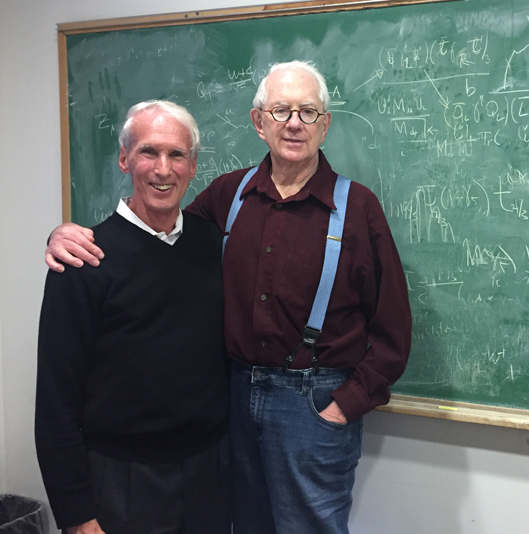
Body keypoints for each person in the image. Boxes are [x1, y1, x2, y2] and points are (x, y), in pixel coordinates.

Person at [45, 61, 412, 534]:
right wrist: (64, 234)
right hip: (231, 404)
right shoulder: (228, 196)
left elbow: (393, 328)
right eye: (281, 110)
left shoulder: (358, 208)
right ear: (259, 122)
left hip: (312, 407)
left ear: (326, 124)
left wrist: (342, 406)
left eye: (308, 111)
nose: (294, 123)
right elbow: (155, 231)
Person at [36, 101, 231, 534]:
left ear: (193, 165)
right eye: (149, 152)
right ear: (124, 159)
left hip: (209, 478)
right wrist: (77, 516)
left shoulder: (212, 246)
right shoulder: (83, 261)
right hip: (120, 485)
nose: (163, 169)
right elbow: (55, 404)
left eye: (177, 154)